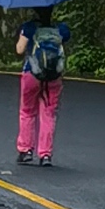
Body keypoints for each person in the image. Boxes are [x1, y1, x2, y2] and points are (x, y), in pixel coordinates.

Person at [15, 9, 67, 161]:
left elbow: (19, 50)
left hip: (32, 73)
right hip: (53, 75)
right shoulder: (61, 29)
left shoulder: (29, 27)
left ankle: (26, 150)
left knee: (27, 111)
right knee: (49, 113)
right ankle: (45, 154)